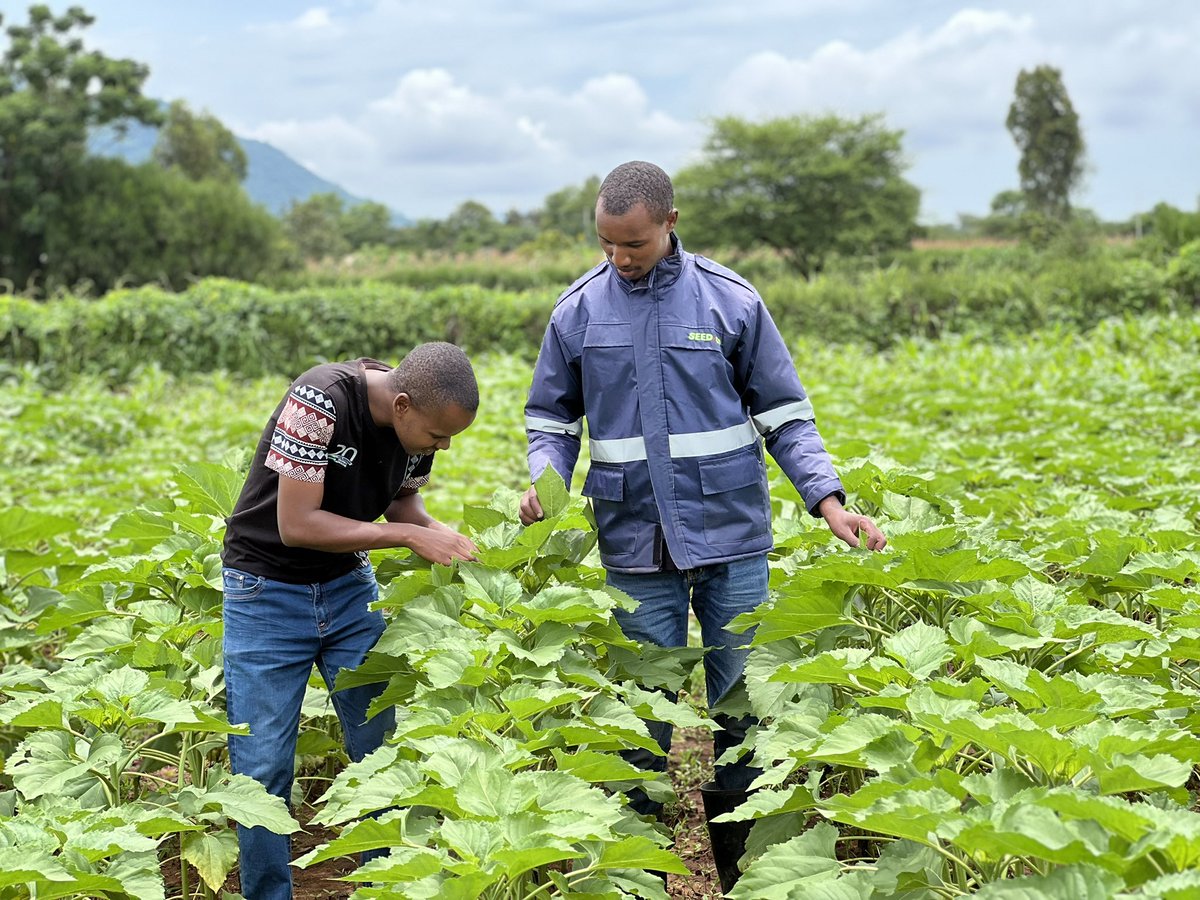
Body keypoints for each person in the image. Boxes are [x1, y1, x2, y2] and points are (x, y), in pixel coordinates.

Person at [520, 161, 886, 816]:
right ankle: (634, 868)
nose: (619, 258)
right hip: (634, 543)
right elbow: (550, 419)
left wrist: (828, 502)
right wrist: (545, 482)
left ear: (670, 222)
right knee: (637, 722)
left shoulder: (731, 300)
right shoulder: (576, 311)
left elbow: (785, 416)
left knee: (746, 713)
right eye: (606, 245)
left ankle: (744, 861)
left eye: (633, 244)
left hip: (733, 536)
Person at [221, 342, 479, 900]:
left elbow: (404, 509)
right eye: (438, 437)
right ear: (403, 404)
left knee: (382, 752)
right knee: (262, 770)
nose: (444, 446)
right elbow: (297, 524)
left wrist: (445, 541)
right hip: (266, 592)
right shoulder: (319, 400)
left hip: (346, 591)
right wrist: (409, 535)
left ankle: (382, 886)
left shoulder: (421, 422)